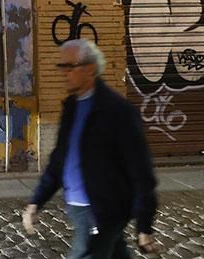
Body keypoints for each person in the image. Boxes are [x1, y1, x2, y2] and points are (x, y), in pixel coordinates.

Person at [22, 39, 159, 258]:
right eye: (62, 67)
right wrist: (37, 200)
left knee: (86, 253)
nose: (63, 73)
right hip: (79, 207)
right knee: (114, 252)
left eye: (69, 67)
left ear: (89, 69)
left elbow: (141, 171)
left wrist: (144, 224)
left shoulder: (118, 112)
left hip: (103, 208)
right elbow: (60, 159)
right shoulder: (72, 107)